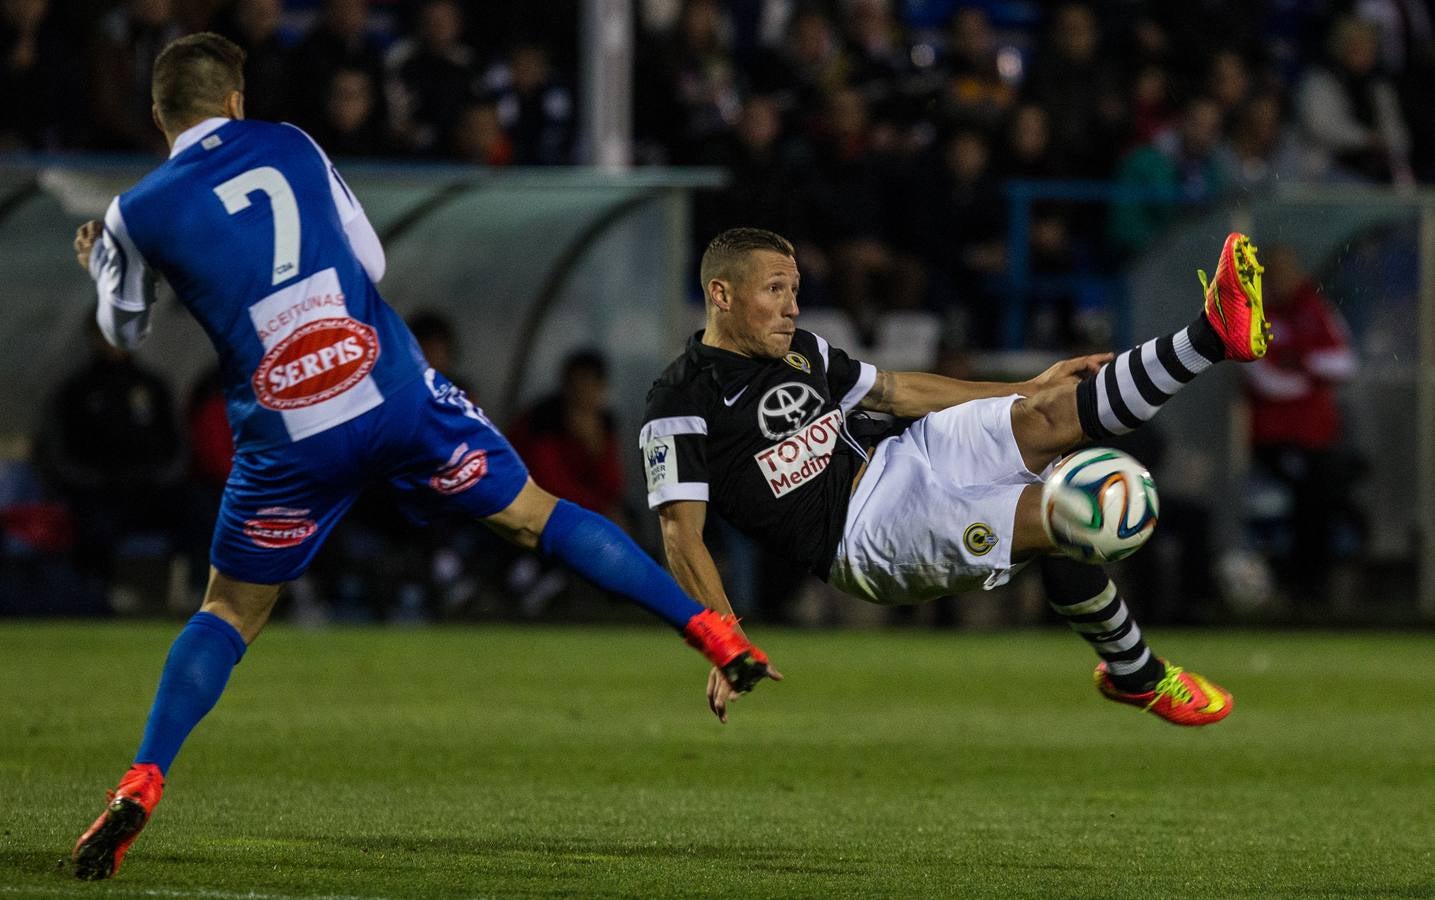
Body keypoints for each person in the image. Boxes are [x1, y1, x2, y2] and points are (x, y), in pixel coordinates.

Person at [67, 33, 774, 882]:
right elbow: (370, 259)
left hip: (288, 431)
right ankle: (711, 632)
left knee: (229, 612)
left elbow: (124, 329)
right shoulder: (290, 142)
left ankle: (143, 780)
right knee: (534, 516)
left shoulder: (134, 211)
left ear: (158, 115)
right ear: (235, 101)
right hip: (391, 390)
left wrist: (104, 268)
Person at [641, 226, 1270, 725]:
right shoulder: (678, 398)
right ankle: (1138, 674)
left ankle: (1212, 334)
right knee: (1073, 510)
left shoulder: (802, 348)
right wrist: (722, 638)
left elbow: (894, 390)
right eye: (775, 290)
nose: (792, 307)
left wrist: (1027, 386)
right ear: (721, 295)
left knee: (1049, 416)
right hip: (867, 536)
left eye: (795, 290)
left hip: (902, 456)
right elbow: (680, 534)